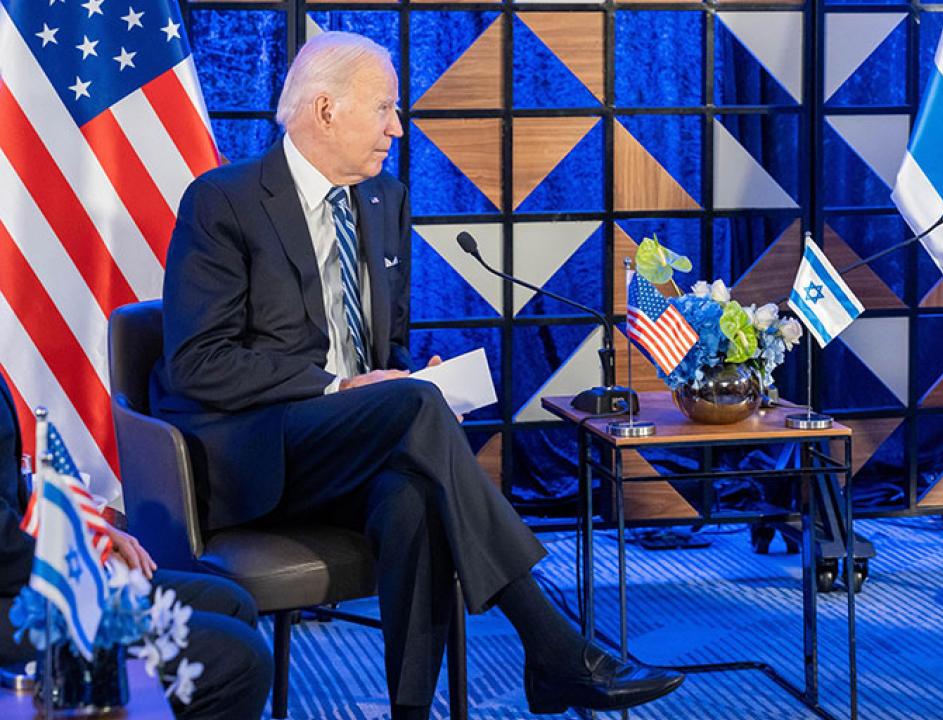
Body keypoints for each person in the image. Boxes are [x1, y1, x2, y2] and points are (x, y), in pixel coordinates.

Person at [150, 30, 683, 718]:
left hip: (356, 448)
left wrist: (404, 377)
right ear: (325, 110)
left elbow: (381, 351)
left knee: (413, 497)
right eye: (384, 109)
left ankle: (413, 713)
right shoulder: (224, 201)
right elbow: (199, 362)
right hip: (261, 455)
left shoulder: (384, 200)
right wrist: (345, 390)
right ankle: (552, 647)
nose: (397, 129)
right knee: (412, 411)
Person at [0, 380, 273, 719]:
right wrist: (83, 563)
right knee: (241, 661)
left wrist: (86, 530)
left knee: (232, 604)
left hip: (26, 570)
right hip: (19, 602)